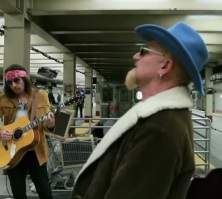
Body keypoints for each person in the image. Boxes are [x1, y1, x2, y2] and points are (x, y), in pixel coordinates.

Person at [71, 22, 208, 199]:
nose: (136, 56)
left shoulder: (160, 129)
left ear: (165, 66)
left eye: (144, 51)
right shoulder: (161, 119)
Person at [0, 64, 55, 199]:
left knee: (44, 190)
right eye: (10, 82)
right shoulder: (4, 98)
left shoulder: (41, 96)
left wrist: (51, 124)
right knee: (18, 192)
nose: (13, 85)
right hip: (13, 151)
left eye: (16, 80)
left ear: (24, 79)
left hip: (36, 151)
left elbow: (48, 126)